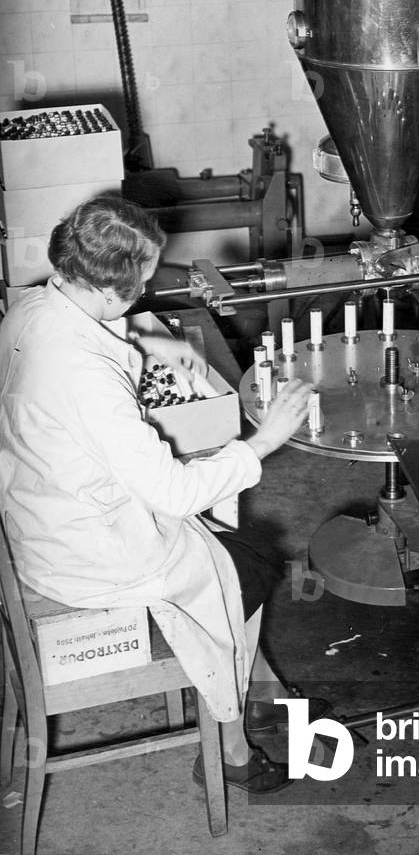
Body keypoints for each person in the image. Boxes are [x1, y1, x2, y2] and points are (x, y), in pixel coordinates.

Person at [0, 195, 316, 794]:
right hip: (89, 556)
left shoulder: (31, 307)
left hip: (41, 517)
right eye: (141, 281)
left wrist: (147, 346)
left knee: (229, 545)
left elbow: (82, 347)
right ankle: (231, 749)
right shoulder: (86, 377)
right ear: (109, 286)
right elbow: (172, 493)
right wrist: (263, 442)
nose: (146, 290)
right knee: (250, 566)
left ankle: (261, 691)